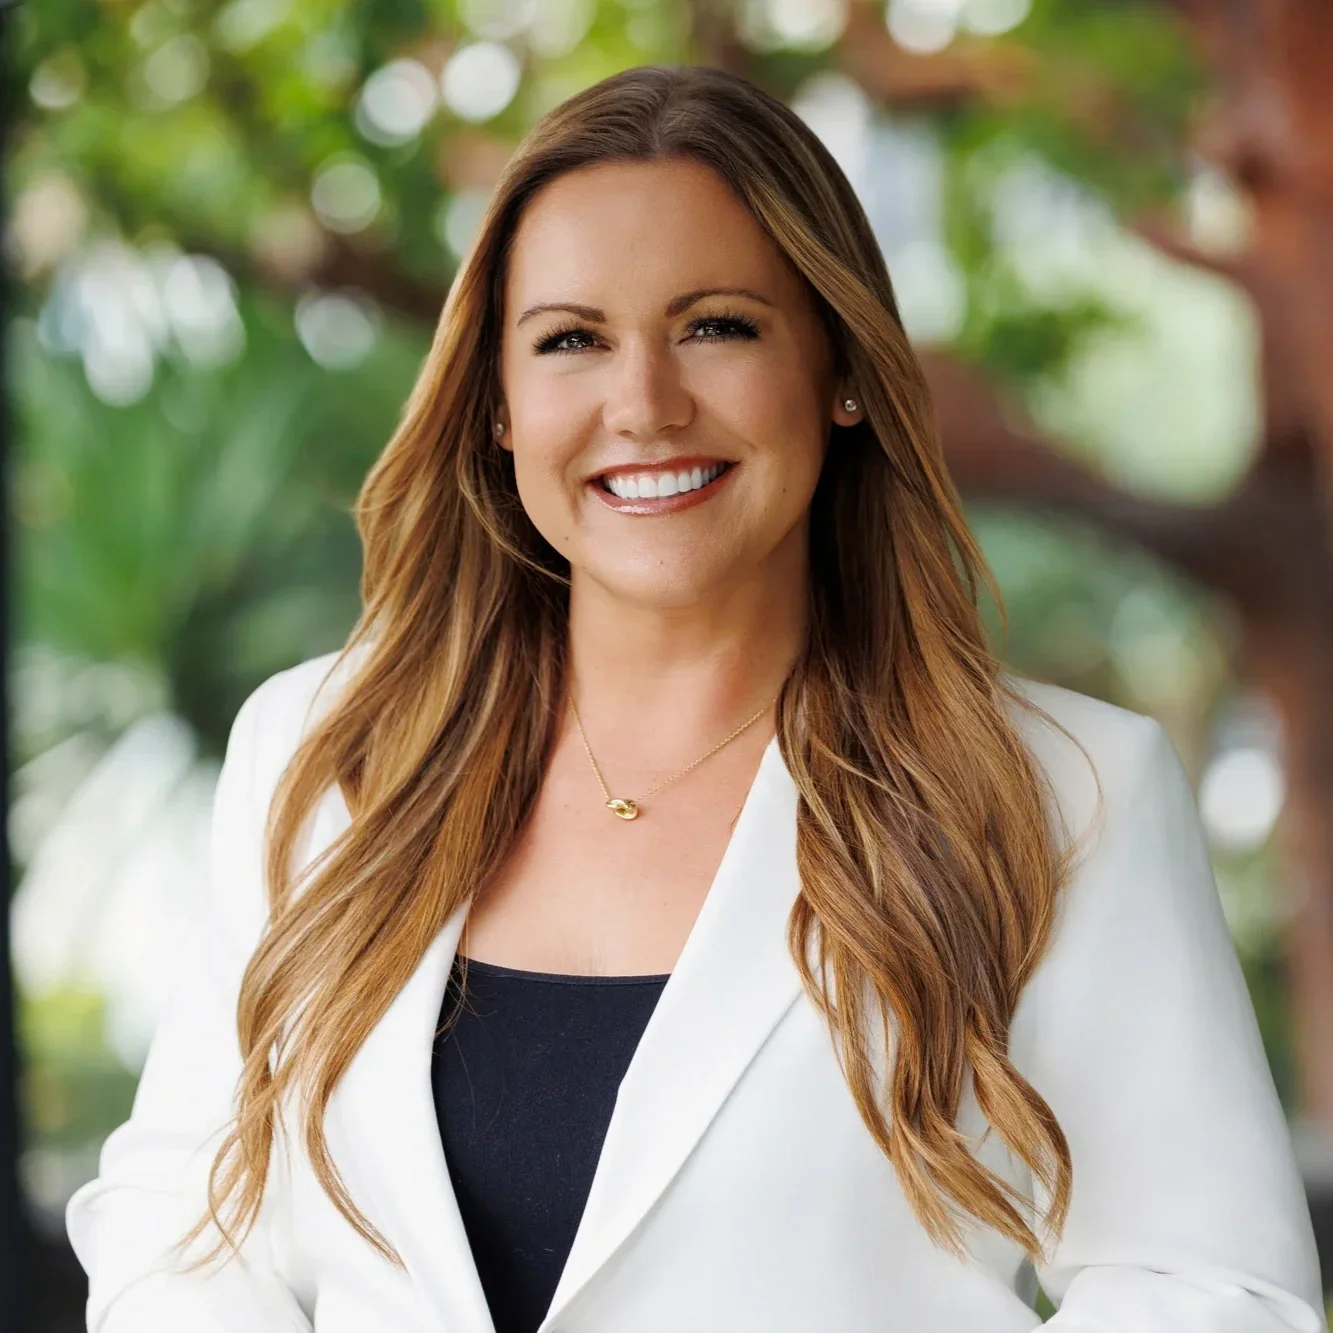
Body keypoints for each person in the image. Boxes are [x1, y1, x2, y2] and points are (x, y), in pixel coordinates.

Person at [66, 64, 1324, 1333]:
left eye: (716, 325)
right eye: (570, 340)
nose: (644, 405)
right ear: (497, 405)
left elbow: (1211, 1289)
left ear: (837, 368)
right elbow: (183, 1221)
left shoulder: (1062, 793)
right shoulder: (319, 752)